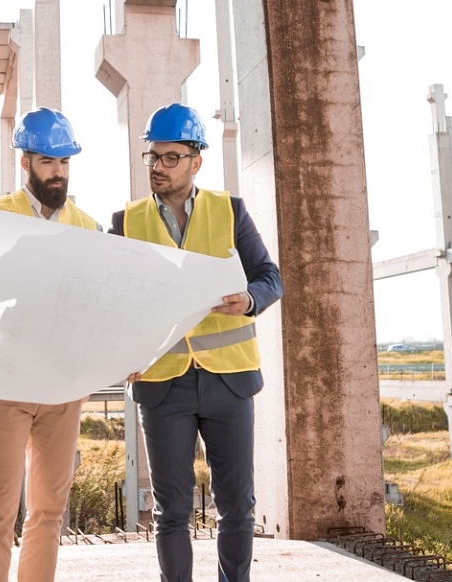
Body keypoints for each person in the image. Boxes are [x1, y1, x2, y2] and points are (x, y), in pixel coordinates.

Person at [109, 103, 283, 582]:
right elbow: (110, 299)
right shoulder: (126, 221)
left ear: (195, 162)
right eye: (153, 157)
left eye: (170, 158)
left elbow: (270, 277)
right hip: (163, 384)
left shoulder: (230, 211)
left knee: (236, 506)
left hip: (229, 380)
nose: (158, 167)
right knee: (171, 511)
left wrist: (248, 299)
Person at [0, 107, 100, 582]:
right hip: (4, 382)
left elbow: (96, 304)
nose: (58, 172)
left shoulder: (88, 226)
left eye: (65, 163)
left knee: (48, 513)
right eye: (48, 162)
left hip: (62, 386)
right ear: (26, 162)